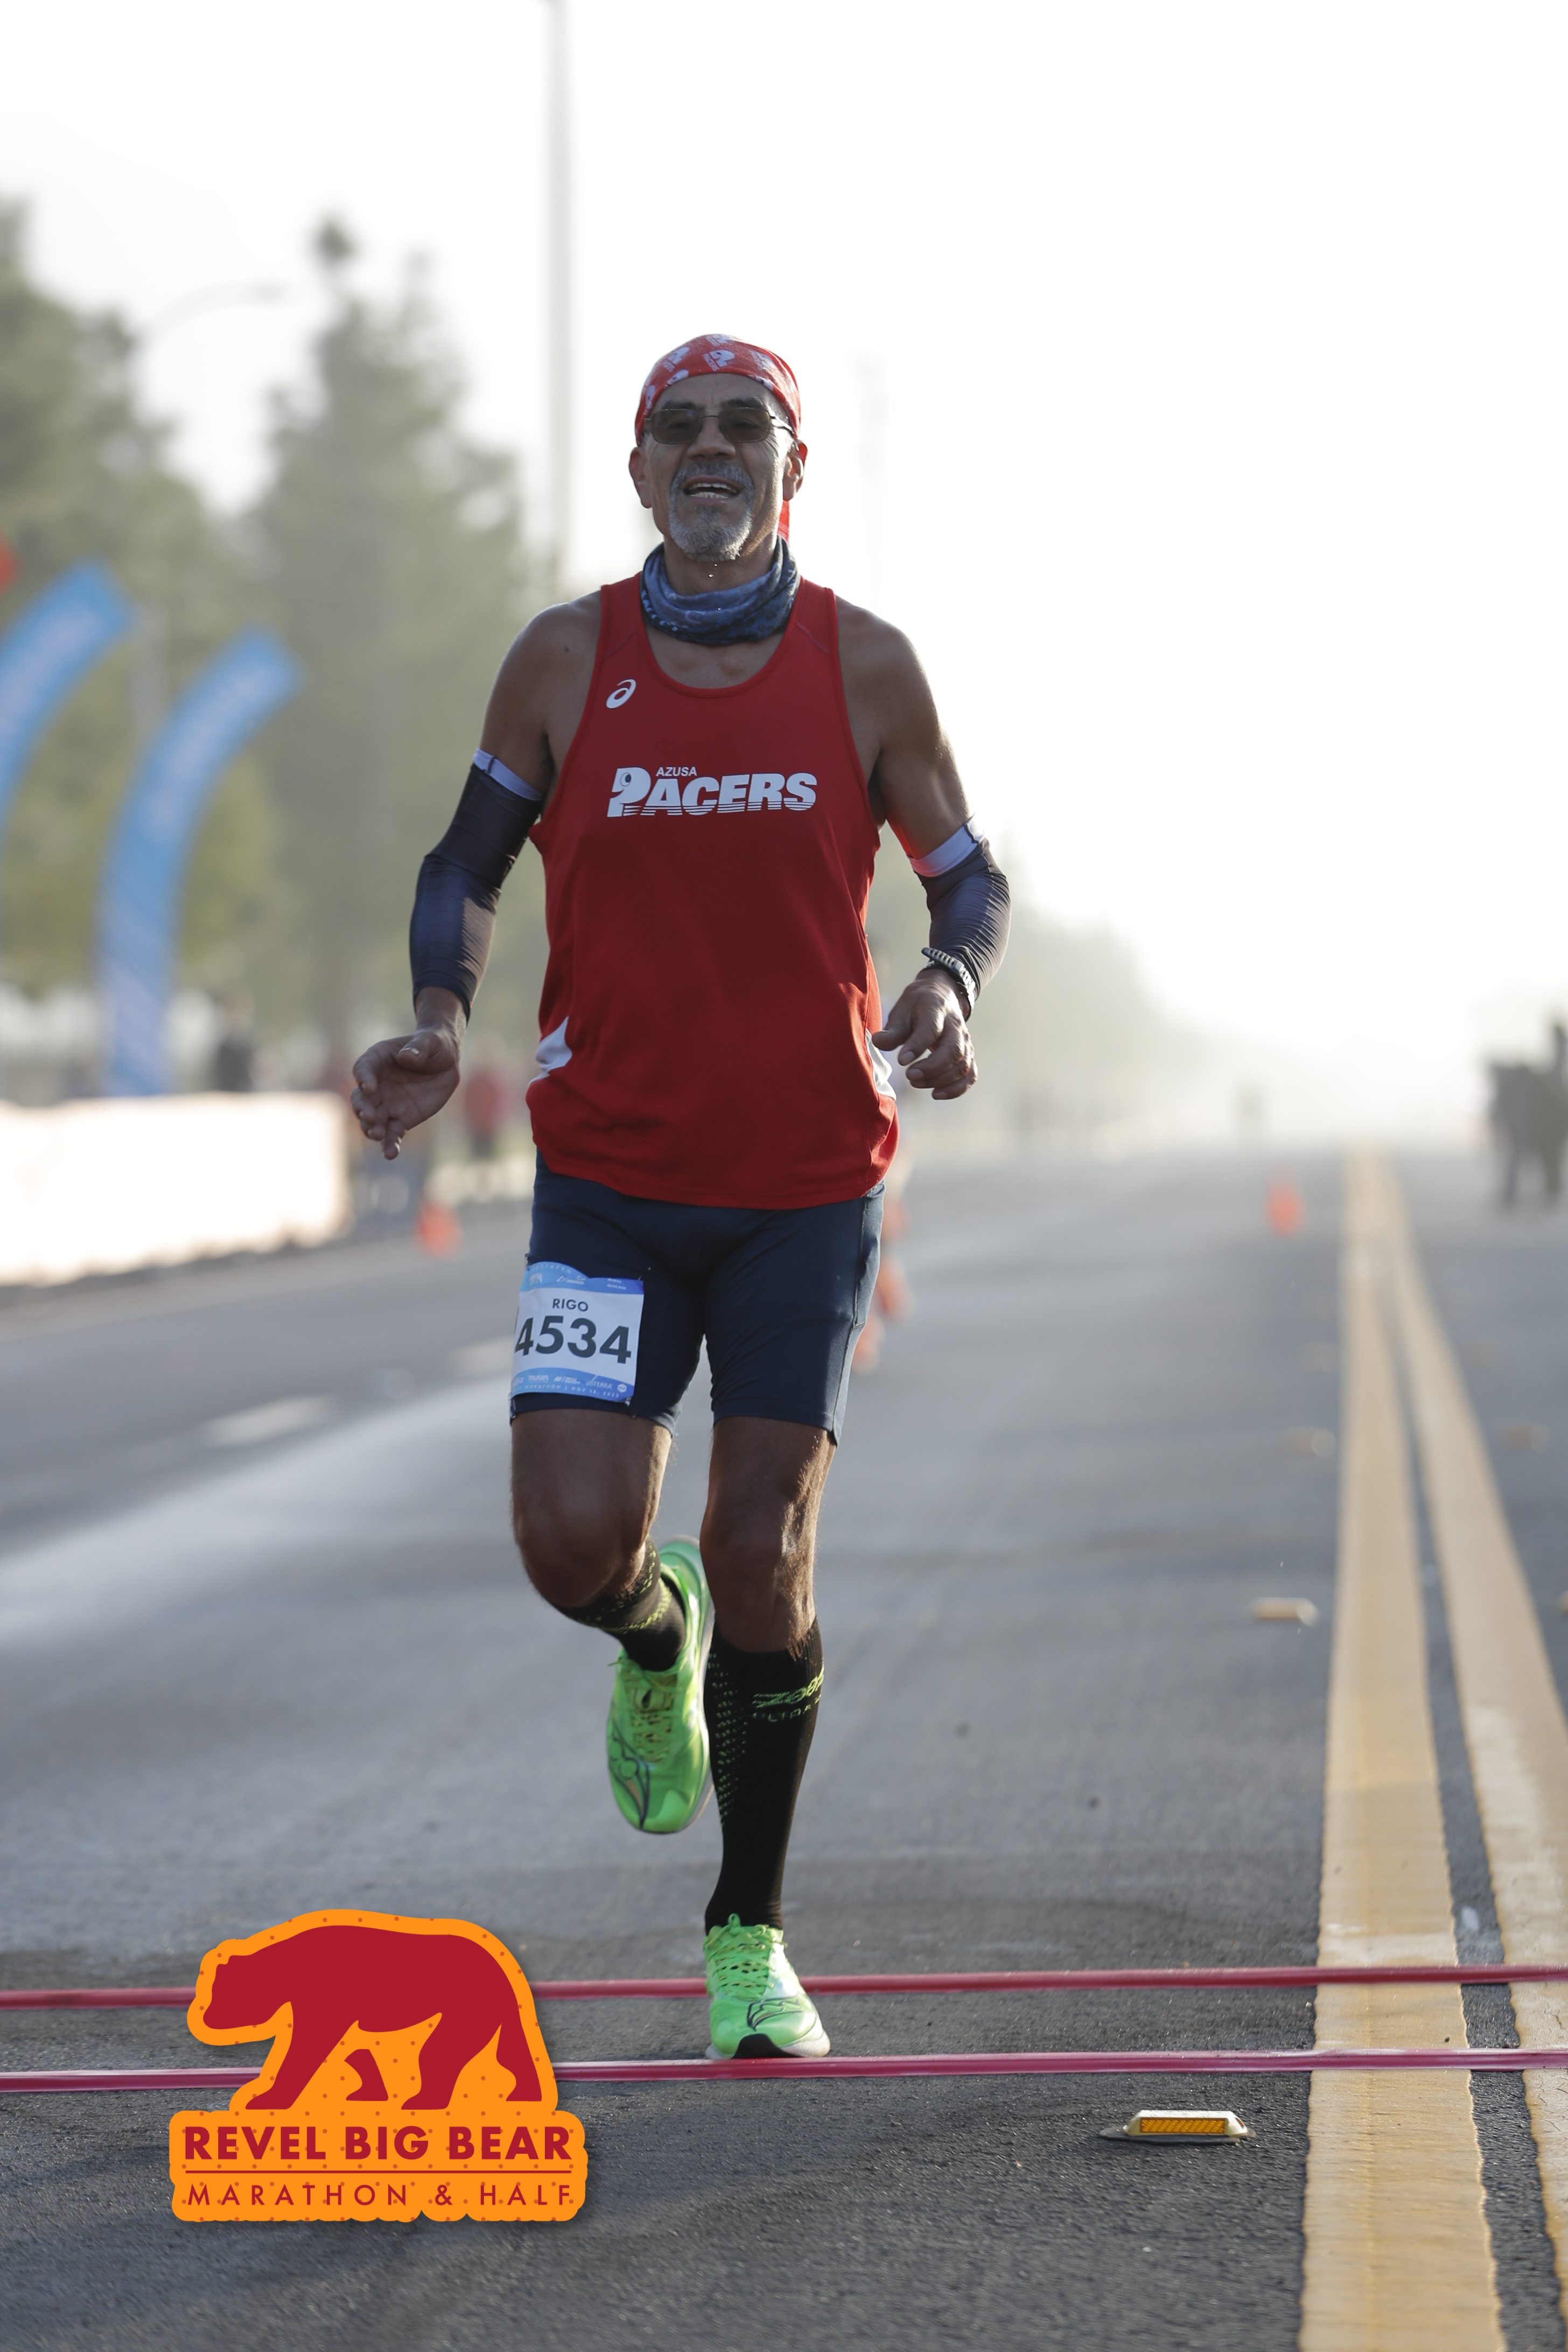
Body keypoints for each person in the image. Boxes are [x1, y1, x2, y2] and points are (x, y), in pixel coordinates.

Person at [352, 334, 1009, 2059]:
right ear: (640, 470)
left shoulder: (866, 666)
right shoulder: (566, 660)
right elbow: (466, 862)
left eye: (744, 429)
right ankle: (658, 1645)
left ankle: (748, 1939)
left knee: (762, 1547)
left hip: (804, 1188)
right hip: (611, 1187)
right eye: (679, 430)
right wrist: (440, 1021)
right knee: (573, 1545)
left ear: (793, 468)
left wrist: (948, 986)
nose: (710, 451)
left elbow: (967, 878)